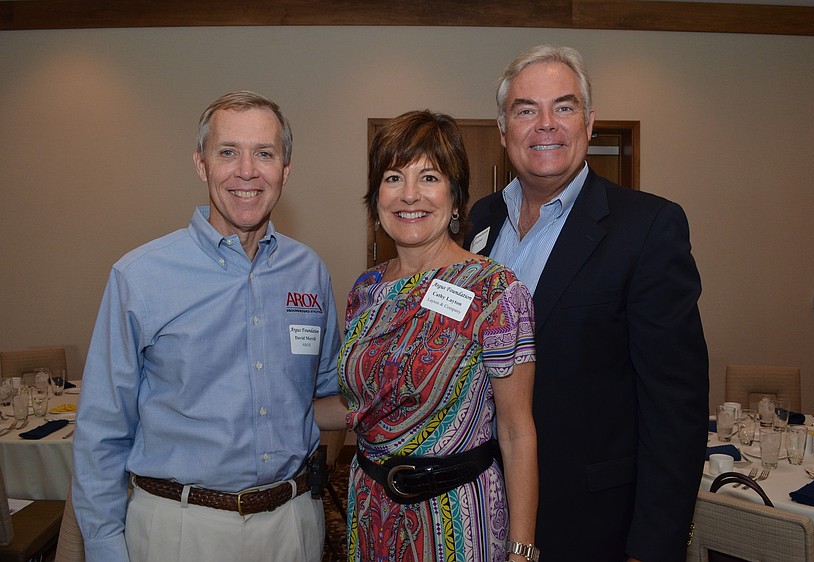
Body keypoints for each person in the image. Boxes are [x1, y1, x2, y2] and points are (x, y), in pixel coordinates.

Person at [72, 91, 341, 562]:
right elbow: (102, 430)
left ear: (286, 168)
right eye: (228, 152)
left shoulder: (310, 272)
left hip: (293, 524)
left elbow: (327, 393)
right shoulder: (140, 277)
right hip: (180, 530)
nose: (247, 171)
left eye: (265, 153)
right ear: (201, 164)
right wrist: (103, 546)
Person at [465, 46, 709, 561]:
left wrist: (652, 546)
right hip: (477, 506)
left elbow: (675, 408)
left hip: (591, 523)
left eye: (565, 107)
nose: (545, 124)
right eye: (526, 109)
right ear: (505, 127)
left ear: (590, 122)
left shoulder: (647, 228)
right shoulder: (478, 222)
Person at [333, 110, 539, 561]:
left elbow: (517, 430)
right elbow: (356, 403)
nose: (409, 195)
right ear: (376, 197)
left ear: (456, 196)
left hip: (457, 517)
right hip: (369, 511)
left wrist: (522, 551)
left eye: (429, 176)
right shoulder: (364, 291)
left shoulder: (497, 292)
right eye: (393, 177)